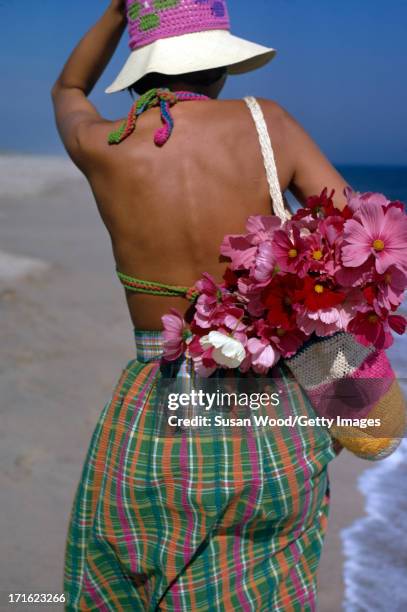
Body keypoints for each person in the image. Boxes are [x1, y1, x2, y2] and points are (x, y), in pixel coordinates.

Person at [52, 1, 351, 610]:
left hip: (155, 418)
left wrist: (117, 10)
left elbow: (69, 85)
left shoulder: (101, 145)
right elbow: (351, 243)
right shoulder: (269, 123)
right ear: (219, 66)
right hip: (268, 415)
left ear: (140, 67)